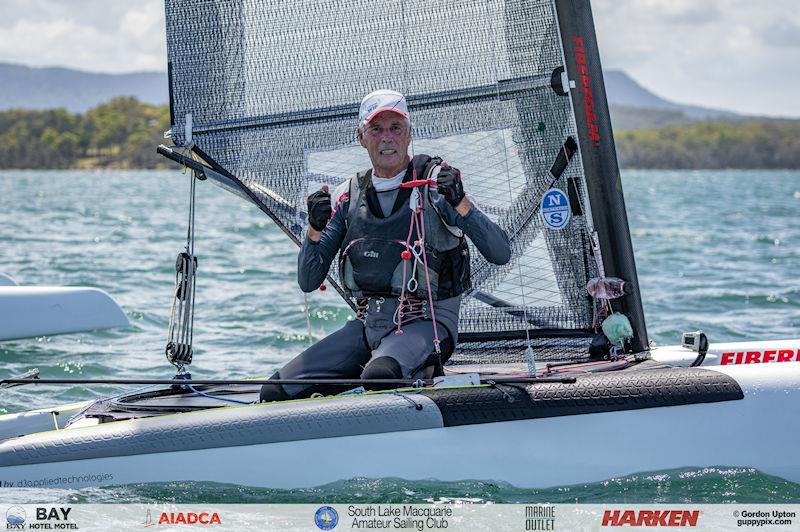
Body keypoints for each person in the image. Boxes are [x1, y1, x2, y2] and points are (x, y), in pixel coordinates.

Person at [260, 89, 511, 402]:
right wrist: (314, 228)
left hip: (428, 326)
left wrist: (461, 203)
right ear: (361, 137)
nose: (387, 138)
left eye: (396, 128)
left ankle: (424, 370)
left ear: (408, 134)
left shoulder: (435, 189)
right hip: (368, 327)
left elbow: (501, 253)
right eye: (376, 130)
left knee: (378, 378)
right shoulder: (347, 196)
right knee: (275, 391)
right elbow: (309, 281)